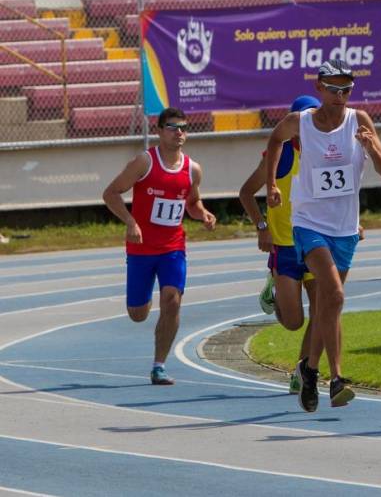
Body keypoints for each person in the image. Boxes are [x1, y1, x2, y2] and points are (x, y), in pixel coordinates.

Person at [265, 59, 381, 412]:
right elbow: (275, 139)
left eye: (346, 90)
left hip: (346, 228)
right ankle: (337, 378)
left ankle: (309, 369)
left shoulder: (359, 120)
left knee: (325, 304)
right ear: (319, 89)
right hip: (308, 223)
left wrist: (372, 147)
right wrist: (271, 184)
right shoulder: (301, 122)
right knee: (333, 295)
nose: (340, 96)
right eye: (333, 89)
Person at [102, 107, 216, 385]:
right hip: (141, 249)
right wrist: (131, 222)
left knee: (172, 300)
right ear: (159, 131)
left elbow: (191, 202)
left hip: (173, 247)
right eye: (173, 127)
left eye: (184, 128)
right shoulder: (145, 162)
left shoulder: (193, 170)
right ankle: (143, 299)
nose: (179, 132)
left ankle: (159, 365)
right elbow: (111, 193)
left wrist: (202, 213)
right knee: (138, 314)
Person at [238, 94, 326, 394]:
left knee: (324, 313)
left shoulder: (327, 151)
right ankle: (273, 289)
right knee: (293, 322)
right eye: (301, 121)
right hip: (285, 247)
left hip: (317, 243)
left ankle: (303, 372)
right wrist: (262, 227)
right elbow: (246, 192)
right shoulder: (280, 156)